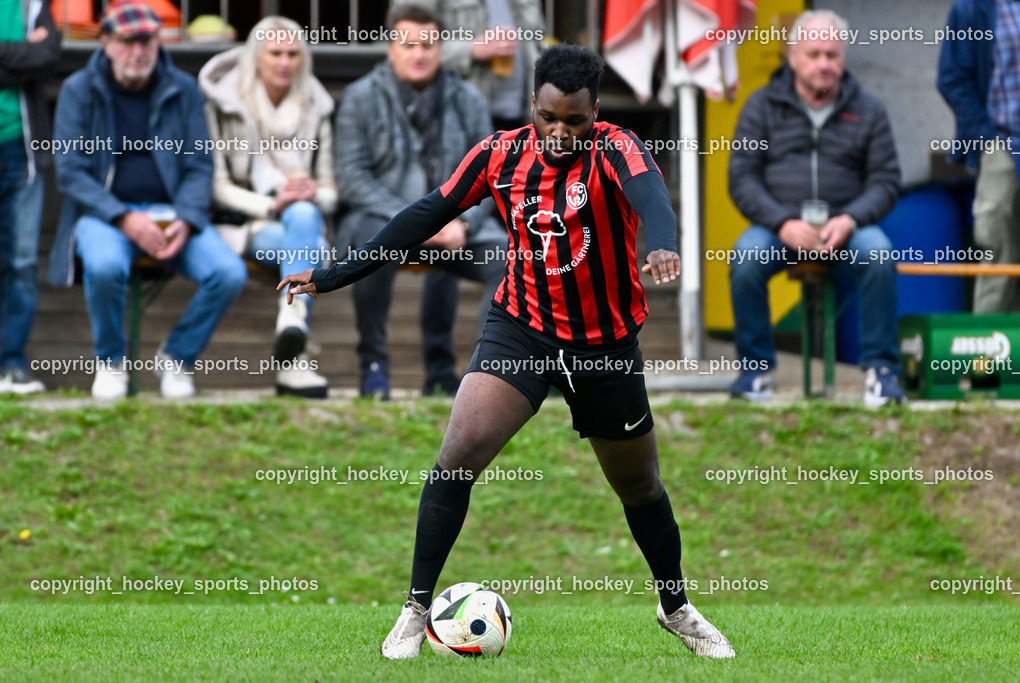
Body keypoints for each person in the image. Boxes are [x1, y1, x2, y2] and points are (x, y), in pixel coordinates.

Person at [281, 44, 736, 660]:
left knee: (640, 486)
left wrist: (664, 245)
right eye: (548, 117)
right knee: (458, 452)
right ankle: (416, 609)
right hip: (522, 327)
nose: (558, 132)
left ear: (595, 112)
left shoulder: (617, 148)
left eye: (574, 121)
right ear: (533, 107)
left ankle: (675, 607)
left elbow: (652, 199)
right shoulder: (499, 155)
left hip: (603, 342)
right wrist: (333, 274)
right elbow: (424, 215)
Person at [48, 0, 247, 399]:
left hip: (172, 214)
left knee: (228, 273)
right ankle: (111, 361)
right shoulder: (78, 89)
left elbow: (198, 166)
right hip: (104, 215)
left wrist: (187, 219)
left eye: (147, 42)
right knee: (102, 266)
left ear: (159, 43)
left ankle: (176, 358)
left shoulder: (183, 88)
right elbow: (70, 170)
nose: (138, 52)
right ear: (104, 41)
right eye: (127, 42)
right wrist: (122, 217)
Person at [727, 9, 904, 407]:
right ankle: (755, 371)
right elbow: (742, 179)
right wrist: (783, 222)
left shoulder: (870, 110)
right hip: (779, 229)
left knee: (879, 254)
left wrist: (850, 219)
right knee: (746, 257)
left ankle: (881, 372)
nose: (824, 64)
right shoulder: (761, 108)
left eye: (833, 55)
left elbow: (886, 181)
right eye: (814, 54)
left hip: (846, 230)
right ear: (793, 56)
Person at [335, 3, 505, 399]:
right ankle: (373, 365)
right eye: (409, 44)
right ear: (390, 47)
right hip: (385, 222)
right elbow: (352, 178)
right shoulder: (360, 97)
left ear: (441, 48)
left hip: (454, 226)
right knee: (366, 240)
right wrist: (415, 223)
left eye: (428, 44)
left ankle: (481, 379)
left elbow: (493, 177)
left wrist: (462, 225)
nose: (419, 54)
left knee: (513, 258)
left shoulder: (469, 99)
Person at [200, 15, 336, 398]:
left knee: (306, 217)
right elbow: (218, 187)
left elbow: (331, 190)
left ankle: (290, 327)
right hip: (246, 223)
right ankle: (294, 351)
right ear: (255, 57)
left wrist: (311, 192)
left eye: (293, 54)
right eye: (275, 53)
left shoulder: (315, 106)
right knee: (317, 252)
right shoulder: (223, 102)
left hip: (300, 222)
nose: (284, 62)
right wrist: (274, 203)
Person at [938, 0, 1020, 313]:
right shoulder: (973, 9)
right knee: (997, 246)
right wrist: (986, 137)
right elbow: (952, 78)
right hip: (1004, 140)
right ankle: (987, 349)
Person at [0, 0, 59, 394]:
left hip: (21, 149)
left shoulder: (32, 3)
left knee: (21, 262)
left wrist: (26, 56)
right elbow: (31, 56)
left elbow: (48, 57)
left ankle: (11, 364)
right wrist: (21, 55)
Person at [417, 0, 545, 131]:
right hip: (462, 121)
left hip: (524, 118)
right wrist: (471, 49)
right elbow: (410, 44)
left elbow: (538, 45)